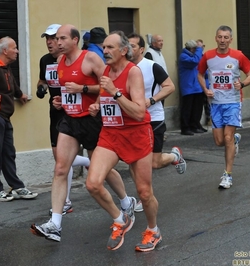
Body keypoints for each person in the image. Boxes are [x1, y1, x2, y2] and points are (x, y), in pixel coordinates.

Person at [30, 24, 133, 243]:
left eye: (62, 38)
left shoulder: (90, 59)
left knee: (102, 170)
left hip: (92, 120)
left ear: (75, 40)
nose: (57, 43)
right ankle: (55, 224)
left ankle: (126, 202)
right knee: (60, 168)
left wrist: (86, 92)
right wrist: (59, 100)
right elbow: (66, 91)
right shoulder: (58, 62)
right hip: (70, 120)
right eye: (56, 39)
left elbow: (107, 85)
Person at [85, 30, 161, 252]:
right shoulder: (107, 70)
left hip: (136, 133)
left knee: (144, 193)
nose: (105, 51)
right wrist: (98, 105)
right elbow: (104, 93)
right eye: (104, 47)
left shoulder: (133, 72)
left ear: (124, 51)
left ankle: (153, 231)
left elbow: (138, 112)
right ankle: (121, 219)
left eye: (110, 47)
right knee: (92, 183)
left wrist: (116, 93)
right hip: (110, 134)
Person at [127, 32, 186, 212]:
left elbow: (170, 86)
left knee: (154, 162)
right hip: (132, 120)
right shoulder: (123, 68)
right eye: (127, 46)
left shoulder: (151, 66)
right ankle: (142, 196)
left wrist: (151, 100)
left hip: (153, 119)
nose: (129, 49)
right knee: (133, 161)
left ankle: (175, 156)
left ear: (142, 49)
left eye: (133, 46)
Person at [38, 24, 91, 215]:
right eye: (48, 39)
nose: (51, 42)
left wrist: (83, 91)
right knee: (59, 159)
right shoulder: (45, 60)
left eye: (55, 38)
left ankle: (123, 203)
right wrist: (42, 89)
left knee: (62, 160)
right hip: (57, 110)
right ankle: (65, 201)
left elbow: (99, 84)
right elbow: (43, 80)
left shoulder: (76, 59)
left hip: (80, 113)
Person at [0, 36, 38, 201]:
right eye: (14, 48)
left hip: (4, 117)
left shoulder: (5, 67)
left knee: (8, 153)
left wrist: (19, 94)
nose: (17, 51)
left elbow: (11, 84)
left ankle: (16, 186)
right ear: (5, 51)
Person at [197, 25, 250, 189]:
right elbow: (199, 74)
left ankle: (227, 175)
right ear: (216, 38)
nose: (223, 40)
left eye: (226, 37)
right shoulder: (208, 56)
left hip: (233, 102)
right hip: (215, 103)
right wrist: (206, 89)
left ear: (231, 39)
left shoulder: (238, 56)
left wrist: (242, 84)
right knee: (219, 141)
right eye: (220, 37)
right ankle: (235, 140)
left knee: (227, 138)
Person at [178, 39, 206, 135]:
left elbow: (202, 62)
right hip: (188, 87)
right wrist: (199, 49)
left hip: (197, 86)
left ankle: (195, 125)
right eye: (197, 49)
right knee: (187, 108)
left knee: (197, 108)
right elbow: (195, 61)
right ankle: (185, 127)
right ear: (192, 49)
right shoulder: (184, 57)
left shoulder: (195, 55)